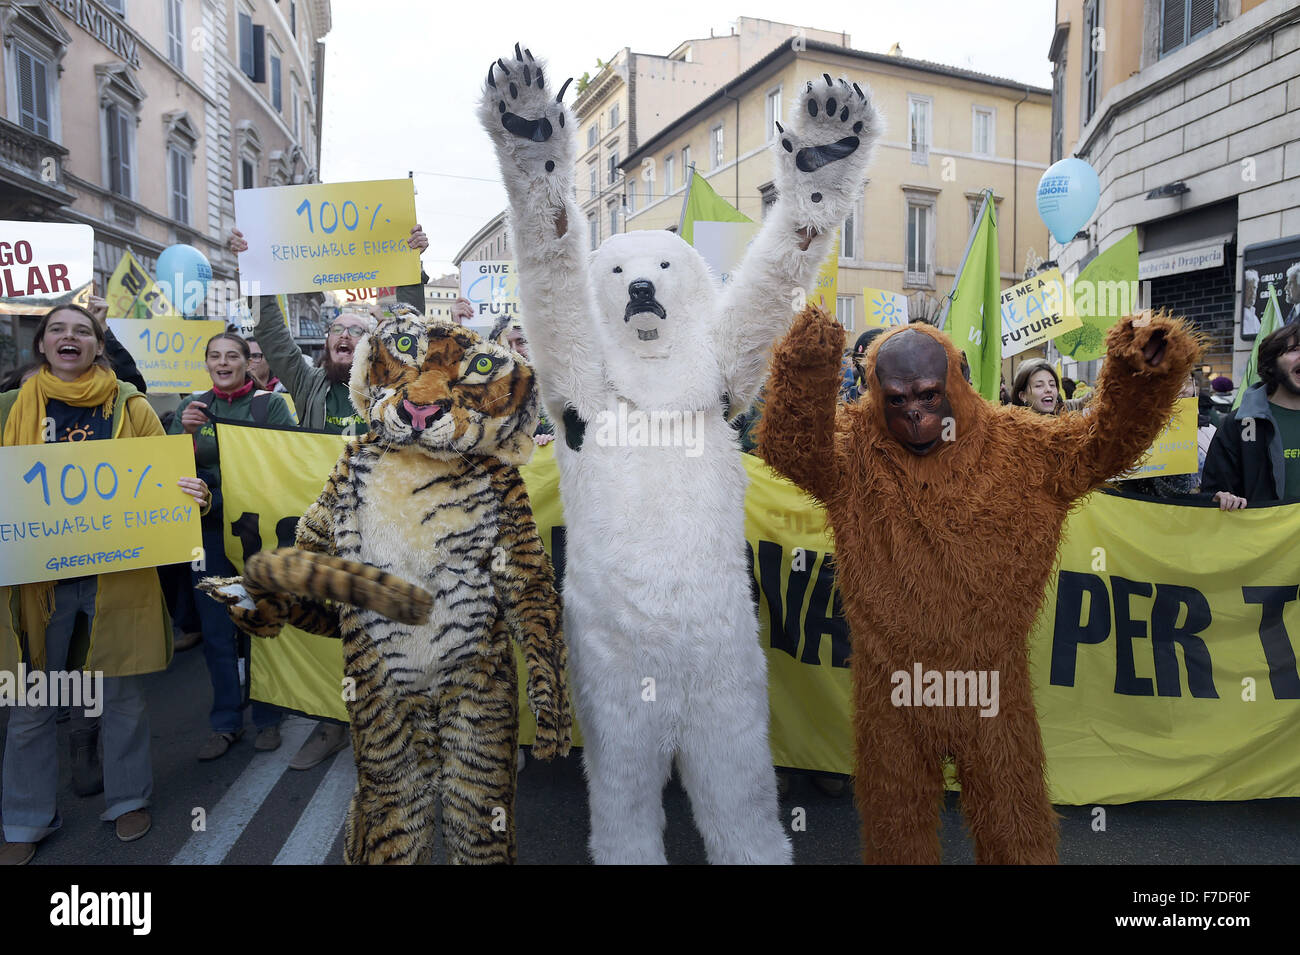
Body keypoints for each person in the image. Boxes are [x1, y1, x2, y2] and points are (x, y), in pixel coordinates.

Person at [227, 226, 468, 768]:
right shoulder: (311, 387)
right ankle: (331, 723)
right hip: (329, 532)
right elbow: (271, 332)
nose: (344, 335)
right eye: (337, 329)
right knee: (332, 628)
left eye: (357, 331)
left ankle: (404, 728)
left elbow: (413, 329)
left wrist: (409, 266)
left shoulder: (394, 391)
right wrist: (259, 271)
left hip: (389, 530)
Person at [0, 305, 209, 865]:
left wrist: (192, 496)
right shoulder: (8, 409)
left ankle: (128, 799)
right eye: (58, 330)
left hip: (116, 574)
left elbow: (165, 483)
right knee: (30, 702)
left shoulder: (131, 406)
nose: (70, 338)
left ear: (98, 346)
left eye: (83, 331)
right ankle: (25, 818)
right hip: (35, 580)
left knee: (120, 696)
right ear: (42, 345)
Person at [169, 332, 295, 759]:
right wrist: (182, 436)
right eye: (214, 357)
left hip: (256, 533)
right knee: (218, 631)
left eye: (232, 356)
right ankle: (225, 722)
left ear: (249, 362)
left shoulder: (270, 406)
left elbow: (286, 466)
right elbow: (166, 473)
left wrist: (218, 495)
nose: (223, 363)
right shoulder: (192, 409)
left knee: (259, 622)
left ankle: (268, 717)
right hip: (206, 537)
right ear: (206, 364)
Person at [1203, 324, 1300, 510]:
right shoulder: (1237, 425)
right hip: (1262, 537)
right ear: (1271, 364)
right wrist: (1220, 497)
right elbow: (1212, 491)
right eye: (1295, 349)